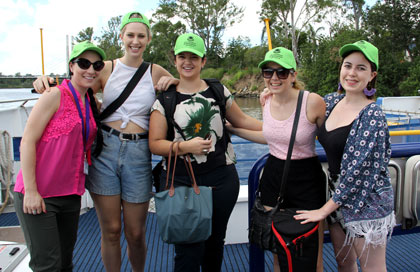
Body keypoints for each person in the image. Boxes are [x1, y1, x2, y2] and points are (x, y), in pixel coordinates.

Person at [32, 11, 178, 272]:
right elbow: (75, 86)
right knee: (111, 229)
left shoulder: (154, 71)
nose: (135, 41)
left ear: (148, 39)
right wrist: (46, 81)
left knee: (135, 232)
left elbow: (185, 85)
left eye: (141, 36)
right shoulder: (104, 68)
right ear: (121, 36)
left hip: (138, 152)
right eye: (130, 35)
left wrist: (173, 80)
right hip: (105, 152)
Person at [148, 33, 262, 272]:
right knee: (187, 250)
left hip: (221, 179)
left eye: (193, 57)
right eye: (182, 56)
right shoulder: (165, 99)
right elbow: (155, 144)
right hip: (181, 182)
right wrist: (184, 147)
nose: (187, 62)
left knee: (214, 244)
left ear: (203, 60)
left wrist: (283, 126)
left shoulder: (218, 91)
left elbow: (242, 120)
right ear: (175, 60)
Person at [294, 40, 396, 272]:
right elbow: (296, 112)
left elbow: (358, 173)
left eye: (361, 68)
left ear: (372, 75)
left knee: (372, 268)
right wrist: (274, 93)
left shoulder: (372, 115)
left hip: (367, 203)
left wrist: (324, 209)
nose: (352, 73)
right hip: (337, 199)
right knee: (344, 262)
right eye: (348, 65)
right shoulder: (331, 102)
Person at [228, 47, 327, 272]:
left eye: (281, 72)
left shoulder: (312, 102)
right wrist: (232, 129)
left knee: (313, 258)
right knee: (278, 254)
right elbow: (272, 138)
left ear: (293, 75)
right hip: (273, 177)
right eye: (268, 72)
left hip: (307, 182)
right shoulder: (266, 100)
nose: (274, 78)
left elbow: (331, 140)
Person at [14, 41, 105, 271]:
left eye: (97, 65)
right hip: (41, 194)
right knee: (48, 265)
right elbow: (27, 141)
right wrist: (32, 192)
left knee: (65, 262)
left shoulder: (90, 101)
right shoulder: (54, 95)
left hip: (71, 194)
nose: (91, 70)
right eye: (84, 63)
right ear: (71, 66)